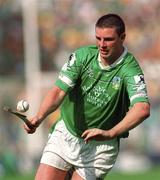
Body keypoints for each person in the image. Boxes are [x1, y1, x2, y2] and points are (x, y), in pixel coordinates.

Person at [24, 13, 150, 180]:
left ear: (123, 37)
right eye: (98, 38)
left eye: (108, 39)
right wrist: (38, 117)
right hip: (66, 134)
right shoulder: (82, 57)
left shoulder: (130, 69)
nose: (102, 45)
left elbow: (142, 108)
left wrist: (110, 133)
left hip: (100, 149)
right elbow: (58, 91)